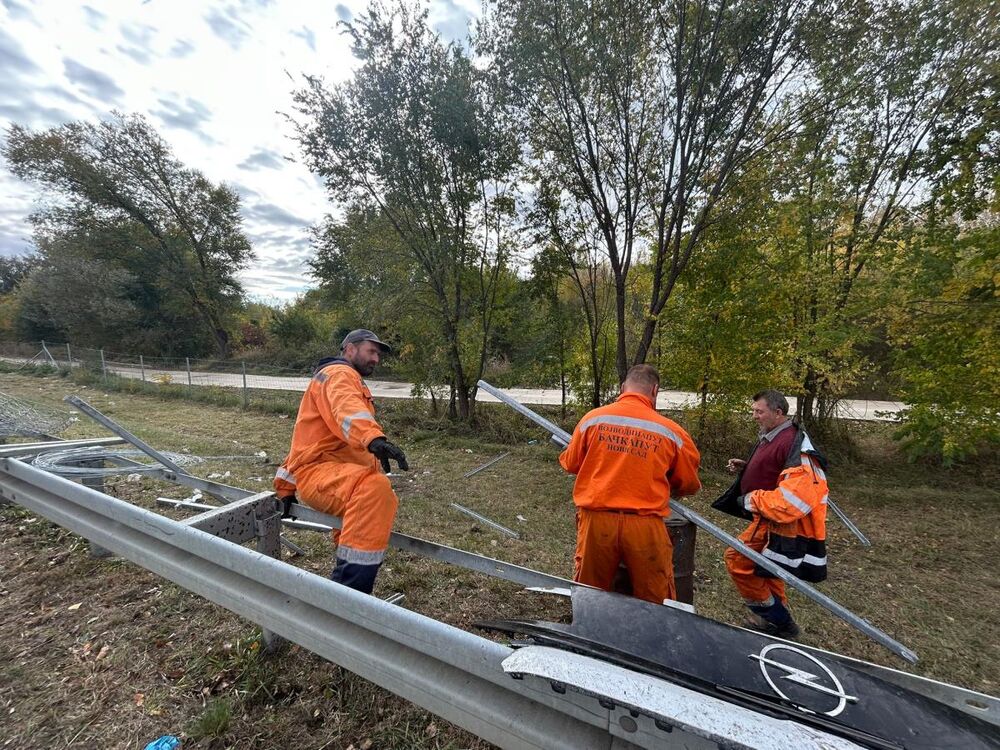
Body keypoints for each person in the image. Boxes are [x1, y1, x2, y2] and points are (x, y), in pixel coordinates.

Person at [273, 329, 409, 594]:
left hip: (336, 474)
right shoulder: (340, 375)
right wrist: (372, 438)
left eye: (378, 355)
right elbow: (347, 409)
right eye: (371, 351)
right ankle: (348, 595)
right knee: (374, 490)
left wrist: (285, 487)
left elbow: (307, 441)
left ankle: (347, 590)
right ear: (349, 349)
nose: (376, 359)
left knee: (369, 506)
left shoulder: (335, 377)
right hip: (322, 474)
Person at [559, 364, 701, 604]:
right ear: (654, 391)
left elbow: (571, 463)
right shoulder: (672, 432)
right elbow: (688, 483)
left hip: (597, 522)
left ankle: (589, 633)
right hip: (645, 526)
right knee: (655, 597)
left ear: (623, 387)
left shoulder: (593, 419)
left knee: (589, 593)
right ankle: (650, 637)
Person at [713, 389, 829, 637]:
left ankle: (780, 621)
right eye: (753, 410)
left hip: (778, 521)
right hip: (767, 516)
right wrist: (749, 469)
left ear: (778, 413)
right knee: (769, 567)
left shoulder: (793, 443)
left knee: (737, 560)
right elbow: (777, 471)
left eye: (759, 411)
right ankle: (773, 622)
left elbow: (792, 499)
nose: (754, 416)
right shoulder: (774, 434)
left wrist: (749, 499)